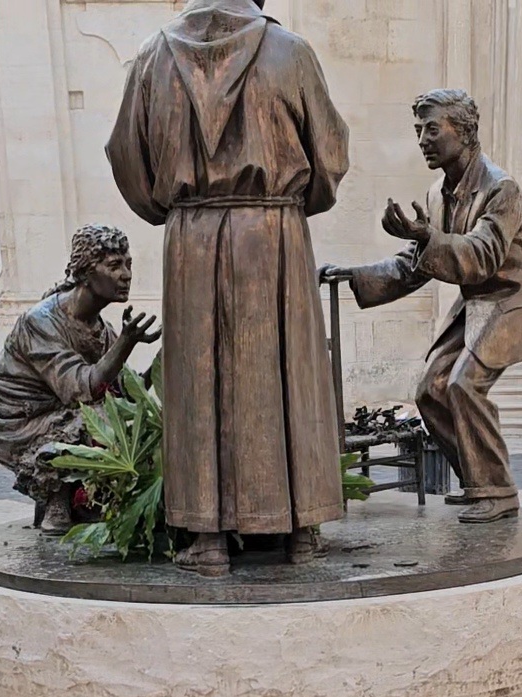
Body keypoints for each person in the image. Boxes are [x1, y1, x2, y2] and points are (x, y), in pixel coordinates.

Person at [107, 0, 350, 577]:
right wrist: (289, 202)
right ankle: (301, 530)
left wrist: (174, 208)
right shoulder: (291, 51)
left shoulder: (152, 57)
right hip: (274, 233)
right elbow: (330, 152)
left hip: (190, 236)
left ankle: (208, 538)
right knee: (289, 372)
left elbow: (126, 156)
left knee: (199, 380)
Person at [323, 89, 522, 524]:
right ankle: (478, 482)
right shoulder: (437, 194)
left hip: (515, 300)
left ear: (464, 131)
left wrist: (427, 238)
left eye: (432, 129)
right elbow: (414, 266)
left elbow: (482, 256)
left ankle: (498, 491)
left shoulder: (500, 188)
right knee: (430, 391)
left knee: (463, 385)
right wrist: (353, 274)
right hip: (478, 303)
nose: (422, 141)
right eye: (418, 131)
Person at [0, 225, 161, 534]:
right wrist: (126, 343)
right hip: (13, 420)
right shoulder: (41, 321)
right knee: (98, 417)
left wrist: (162, 364)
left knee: (119, 415)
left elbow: (123, 395)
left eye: (128, 264)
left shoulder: (100, 328)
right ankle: (57, 503)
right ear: (86, 273)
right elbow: (82, 390)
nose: (126, 275)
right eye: (114, 266)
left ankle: (86, 499)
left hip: (58, 410)